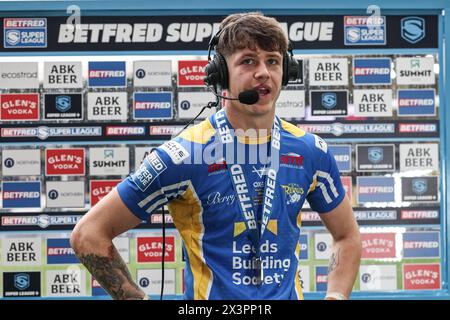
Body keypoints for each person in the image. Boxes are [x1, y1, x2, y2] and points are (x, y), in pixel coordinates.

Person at [70, 11, 361, 300]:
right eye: (248, 61)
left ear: (287, 70)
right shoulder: (184, 155)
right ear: (220, 73)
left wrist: (335, 296)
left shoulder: (310, 151)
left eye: (272, 61)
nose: (263, 72)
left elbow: (347, 236)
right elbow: (89, 235)